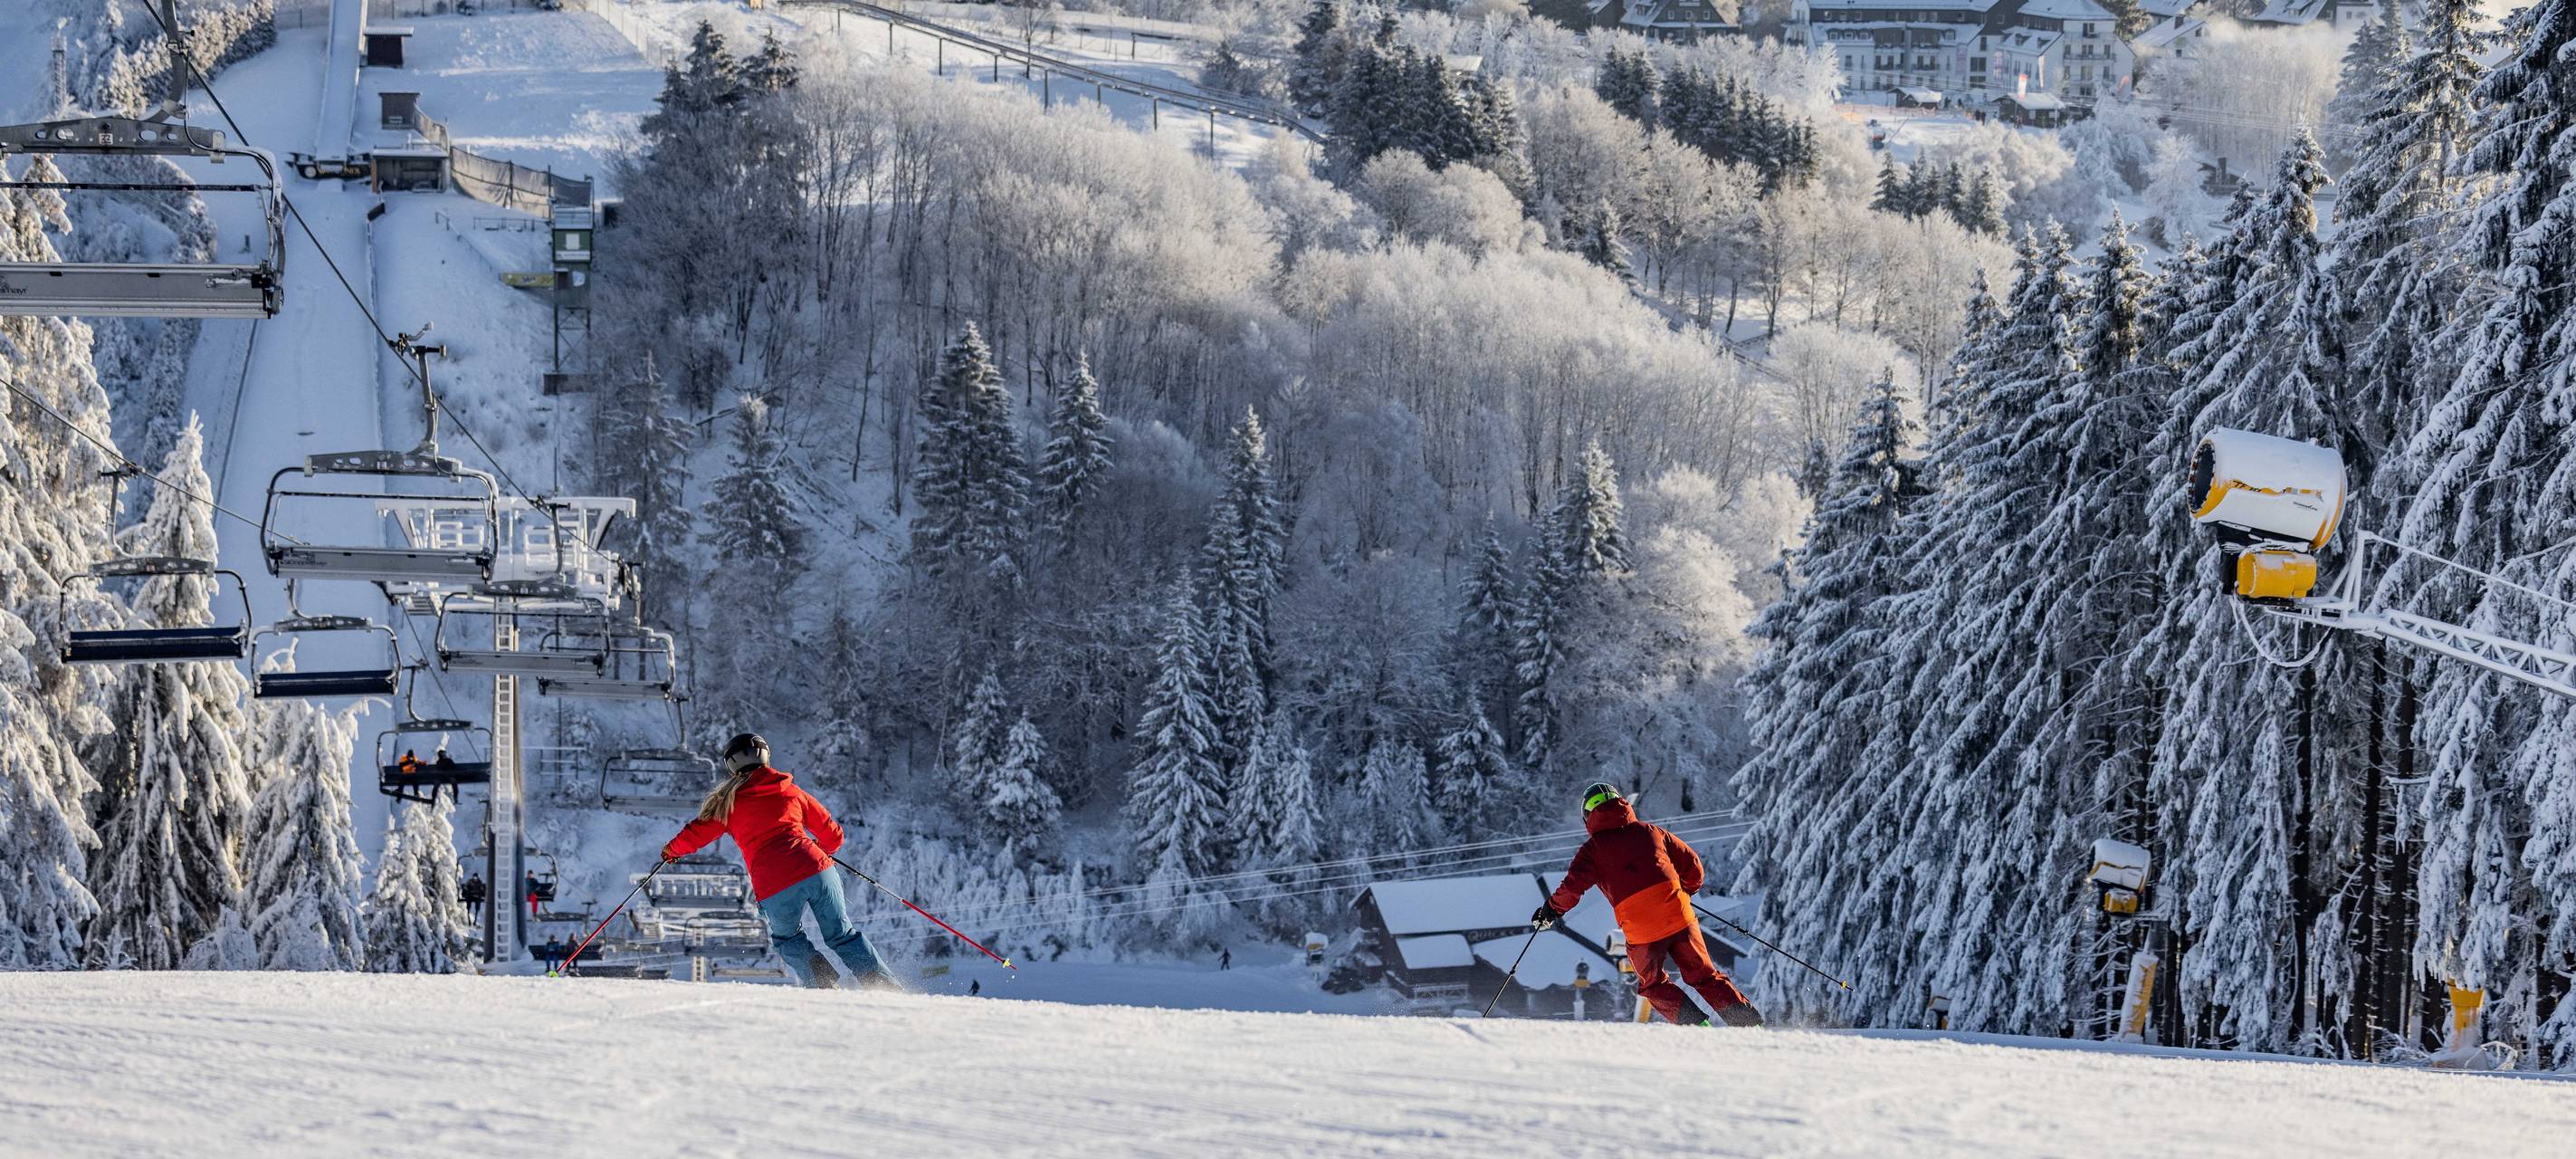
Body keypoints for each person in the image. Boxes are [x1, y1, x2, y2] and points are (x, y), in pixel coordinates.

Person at [662, 733, 896, 991]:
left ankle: (823, 985)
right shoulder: (791, 790)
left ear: (731, 764)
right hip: (817, 869)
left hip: (775, 883)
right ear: (766, 756)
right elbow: (833, 835)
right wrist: (819, 852)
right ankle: (884, 987)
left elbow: (696, 833)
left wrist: (672, 851)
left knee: (788, 938)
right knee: (842, 934)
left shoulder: (729, 804)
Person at [1532, 783, 1763, 1029]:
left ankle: (1698, 1029)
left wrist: (1551, 911)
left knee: (1653, 984)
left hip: (1641, 928)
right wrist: (1686, 890)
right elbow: (1692, 864)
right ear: (1621, 803)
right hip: (1678, 914)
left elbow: (1572, 888)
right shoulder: (1651, 831)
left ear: (1587, 816)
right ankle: (1750, 1027)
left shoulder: (1591, 851)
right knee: (1705, 976)